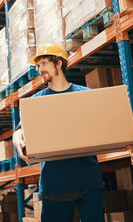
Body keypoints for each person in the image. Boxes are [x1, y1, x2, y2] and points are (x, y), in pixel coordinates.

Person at [12, 43, 104, 222]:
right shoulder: (37, 101)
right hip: (55, 182)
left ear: (59, 64)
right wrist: (19, 143)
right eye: (38, 66)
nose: (40, 70)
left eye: (44, 64)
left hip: (87, 179)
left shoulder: (85, 94)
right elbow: (19, 131)